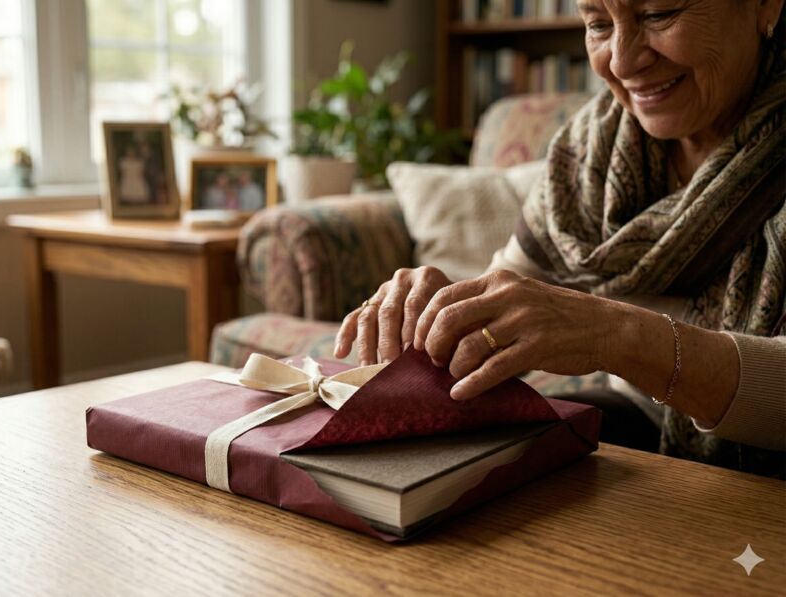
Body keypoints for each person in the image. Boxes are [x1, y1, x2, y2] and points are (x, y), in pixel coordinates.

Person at [334, 0, 786, 476]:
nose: (621, 61)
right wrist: (447, 312)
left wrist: (620, 334)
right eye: (597, 25)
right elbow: (510, 291)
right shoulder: (592, 149)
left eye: (659, 15)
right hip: (641, 424)